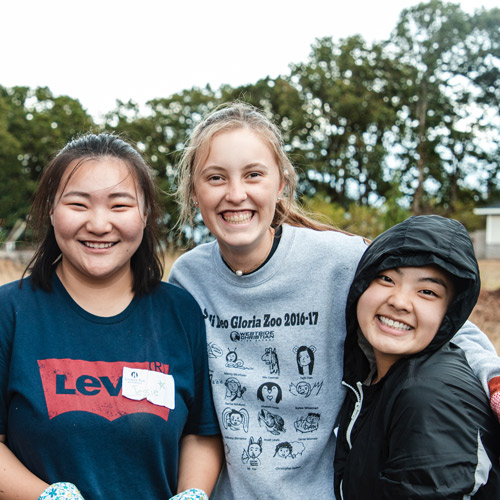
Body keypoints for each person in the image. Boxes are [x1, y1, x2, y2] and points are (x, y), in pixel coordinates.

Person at [168, 102, 500, 499]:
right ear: (193, 190)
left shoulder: (339, 261)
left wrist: (494, 381)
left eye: (254, 175)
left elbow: (449, 325)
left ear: (281, 183)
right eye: (216, 178)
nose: (236, 194)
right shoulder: (188, 277)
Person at [0, 133, 222, 500]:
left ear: (146, 212)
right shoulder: (10, 313)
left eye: (119, 206)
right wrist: (46, 497)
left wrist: (192, 493)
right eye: (78, 204)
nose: (100, 224)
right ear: (52, 211)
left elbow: (200, 432)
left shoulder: (181, 312)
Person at [334, 215, 500, 499]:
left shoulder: (428, 396)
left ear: (450, 314)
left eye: (427, 291)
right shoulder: (373, 375)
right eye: (386, 278)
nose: (399, 301)